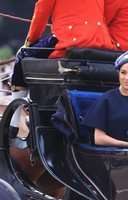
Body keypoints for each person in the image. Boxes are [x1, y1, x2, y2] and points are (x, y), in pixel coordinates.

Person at [9, 0, 116, 138]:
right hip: (100, 41)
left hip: (71, 40)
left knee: (22, 55)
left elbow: (41, 11)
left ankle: (13, 121)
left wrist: (30, 42)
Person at [82, 50, 128, 147]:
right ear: (118, 74)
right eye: (123, 73)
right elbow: (98, 138)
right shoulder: (106, 100)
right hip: (113, 155)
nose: (127, 77)